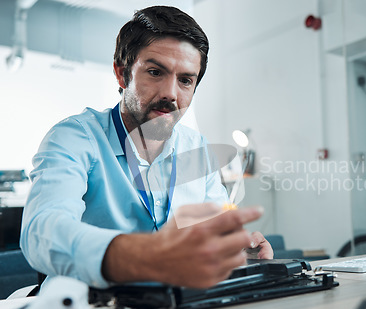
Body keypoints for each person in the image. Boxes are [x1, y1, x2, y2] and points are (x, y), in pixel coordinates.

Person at [20, 6, 273, 290]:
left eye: (185, 80)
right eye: (155, 72)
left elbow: (212, 232)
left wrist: (237, 251)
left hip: (175, 305)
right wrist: (145, 256)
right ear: (121, 73)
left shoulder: (197, 148)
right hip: (89, 307)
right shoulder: (75, 137)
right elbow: (41, 232)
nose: (170, 94)